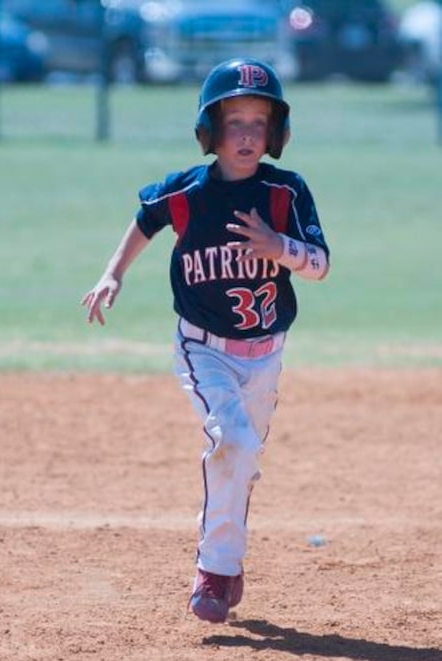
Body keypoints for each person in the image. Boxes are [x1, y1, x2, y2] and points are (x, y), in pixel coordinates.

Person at [81, 58, 330, 623]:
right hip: (203, 347)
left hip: (266, 354)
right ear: (209, 132)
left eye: (259, 123)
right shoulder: (188, 193)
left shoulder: (285, 195)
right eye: (234, 121)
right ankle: (214, 574)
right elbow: (146, 217)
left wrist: (279, 247)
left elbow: (320, 265)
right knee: (233, 443)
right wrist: (112, 273)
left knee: (242, 455)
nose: (246, 135)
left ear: (277, 134)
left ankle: (226, 563)